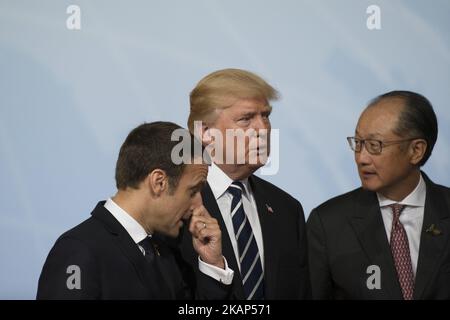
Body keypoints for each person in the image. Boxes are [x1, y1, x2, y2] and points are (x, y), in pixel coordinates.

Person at [37, 121, 234, 299]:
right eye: (193, 191)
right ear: (159, 182)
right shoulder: (79, 250)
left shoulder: (165, 253)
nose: (198, 205)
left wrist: (212, 264)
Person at [180, 68, 311, 299]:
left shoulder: (287, 209)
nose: (263, 129)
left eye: (266, 116)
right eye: (246, 119)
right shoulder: (175, 208)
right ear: (206, 132)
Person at [307, 90, 450, 300]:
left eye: (375, 145)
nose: (361, 158)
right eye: (357, 143)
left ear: (416, 150)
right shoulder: (328, 223)